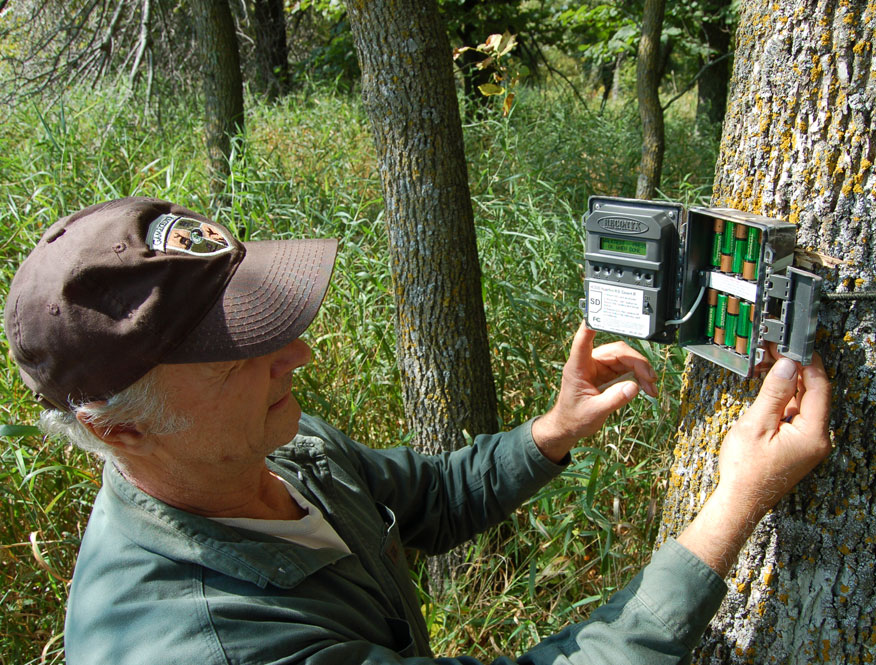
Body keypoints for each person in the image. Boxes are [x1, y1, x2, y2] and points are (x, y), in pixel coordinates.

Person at [4, 197, 832, 665]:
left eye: (263, 323)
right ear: (120, 430)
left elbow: (428, 496)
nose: (295, 352)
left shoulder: (264, 443)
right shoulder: (207, 647)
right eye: (238, 357)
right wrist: (735, 502)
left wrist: (550, 431)